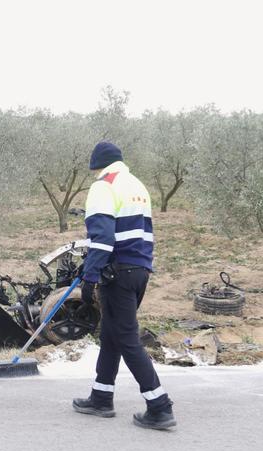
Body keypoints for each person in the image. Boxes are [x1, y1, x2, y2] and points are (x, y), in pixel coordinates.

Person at [71, 141, 176, 430]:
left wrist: (90, 277)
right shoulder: (137, 185)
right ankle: (101, 397)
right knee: (111, 334)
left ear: (96, 165)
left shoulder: (104, 186)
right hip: (140, 269)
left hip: (117, 273)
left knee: (127, 338)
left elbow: (102, 239)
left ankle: (159, 406)